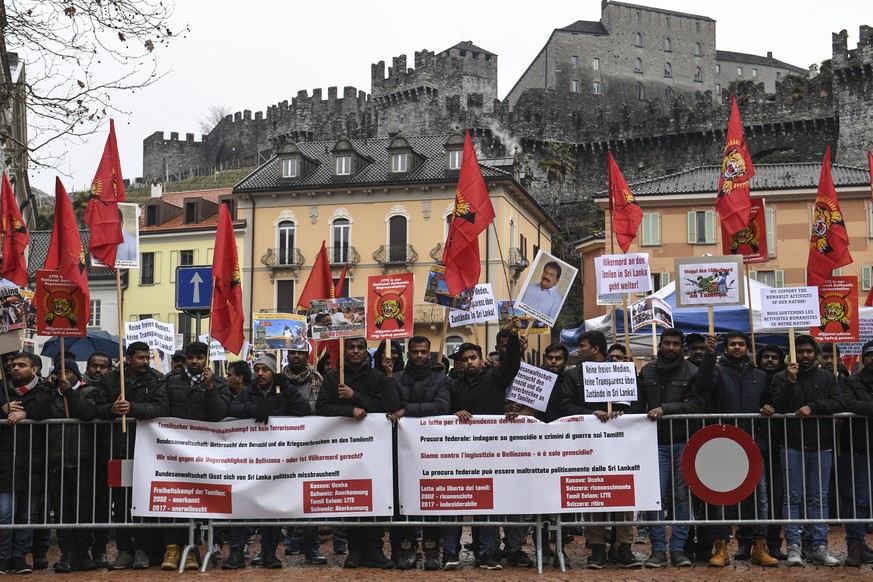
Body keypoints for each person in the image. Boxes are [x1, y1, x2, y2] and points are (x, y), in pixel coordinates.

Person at [443, 316, 523, 571]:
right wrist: (453, 415)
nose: (469, 363)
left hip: (490, 452)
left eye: (473, 358)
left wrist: (511, 338)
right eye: (464, 360)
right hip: (457, 455)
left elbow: (511, 365)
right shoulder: (452, 385)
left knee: (488, 501)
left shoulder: (495, 379)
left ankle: (488, 552)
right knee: (455, 501)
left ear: (481, 360)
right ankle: (450, 552)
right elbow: (441, 410)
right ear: (459, 363)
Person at [559, 331, 642, 570]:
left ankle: (624, 547)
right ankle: (597, 548)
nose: (578, 350)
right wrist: (590, 414)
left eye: (582, 346)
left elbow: (638, 402)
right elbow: (565, 404)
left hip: (620, 443)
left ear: (595, 349)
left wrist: (622, 414)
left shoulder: (621, 372)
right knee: (592, 491)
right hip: (587, 445)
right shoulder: (574, 375)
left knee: (623, 492)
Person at [316, 337, 401, 569]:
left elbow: (387, 406)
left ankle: (374, 549)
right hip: (345, 450)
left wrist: (355, 396)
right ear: (345, 351)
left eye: (360, 347)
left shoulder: (377, 376)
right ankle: (354, 551)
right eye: (351, 347)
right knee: (353, 498)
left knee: (374, 497)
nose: (355, 351)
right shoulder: (334, 377)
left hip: (375, 449)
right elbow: (321, 407)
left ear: (366, 351)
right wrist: (349, 410)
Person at [224, 354, 314, 569]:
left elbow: (303, 410)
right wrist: (251, 409)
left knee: (272, 506)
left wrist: (287, 386)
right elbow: (230, 409)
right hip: (250, 459)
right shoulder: (248, 391)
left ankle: (269, 552)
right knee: (241, 504)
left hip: (277, 461)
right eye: (257, 370)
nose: (260, 374)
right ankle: (236, 551)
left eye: (265, 369)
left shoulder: (283, 390)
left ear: (273, 372)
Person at [695, 332, 778, 567]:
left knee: (759, 497)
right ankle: (720, 547)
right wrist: (709, 356)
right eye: (732, 344)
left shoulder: (760, 375)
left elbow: (768, 401)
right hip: (723, 444)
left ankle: (759, 546)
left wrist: (769, 407)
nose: (737, 347)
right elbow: (703, 384)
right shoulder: (717, 370)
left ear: (748, 348)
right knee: (719, 497)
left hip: (753, 445)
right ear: (725, 348)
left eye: (741, 344)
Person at [770, 334, 843, 567]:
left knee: (819, 498)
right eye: (800, 351)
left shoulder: (827, 377)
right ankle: (793, 546)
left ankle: (819, 546)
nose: (804, 355)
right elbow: (777, 406)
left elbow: (839, 403)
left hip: (821, 446)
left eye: (808, 351)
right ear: (793, 354)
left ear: (815, 354)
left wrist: (813, 406)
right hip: (791, 444)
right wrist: (790, 383)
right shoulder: (781, 377)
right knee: (792, 497)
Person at [96, 341, 169, 570]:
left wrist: (133, 408)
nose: (145, 361)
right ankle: (124, 549)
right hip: (118, 450)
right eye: (140, 358)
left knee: (143, 502)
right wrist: (110, 410)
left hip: (145, 453)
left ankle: (143, 550)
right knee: (121, 503)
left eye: (147, 357)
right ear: (128, 359)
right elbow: (95, 407)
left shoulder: (157, 379)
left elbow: (162, 408)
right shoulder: (110, 380)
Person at [159, 341, 232, 571]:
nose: (194, 362)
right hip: (176, 453)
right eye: (191, 357)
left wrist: (210, 388)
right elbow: (161, 408)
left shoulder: (219, 383)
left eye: (200, 357)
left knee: (202, 500)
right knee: (175, 498)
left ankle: (195, 549)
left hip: (205, 454)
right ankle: (174, 547)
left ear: (206, 359)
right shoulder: (171, 382)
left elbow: (221, 414)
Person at [640, 328, 706, 568]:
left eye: (675, 344)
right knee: (653, 498)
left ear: (682, 347)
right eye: (666, 343)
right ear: (659, 345)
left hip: (684, 441)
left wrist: (666, 409)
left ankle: (678, 548)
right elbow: (638, 403)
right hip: (654, 443)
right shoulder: (646, 370)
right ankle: (658, 549)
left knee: (682, 496)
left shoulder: (693, 371)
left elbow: (699, 404)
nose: (671, 348)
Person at [387, 336, 450, 570]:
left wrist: (407, 410)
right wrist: (388, 378)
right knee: (401, 498)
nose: (420, 356)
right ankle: (405, 548)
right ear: (408, 353)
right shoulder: (397, 377)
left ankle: (432, 549)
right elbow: (390, 405)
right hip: (400, 449)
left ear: (430, 352)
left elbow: (442, 407)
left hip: (431, 450)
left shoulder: (440, 378)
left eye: (424, 352)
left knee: (430, 498)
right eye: (415, 352)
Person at [46, 360, 101, 573]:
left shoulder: (90, 392)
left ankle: (83, 552)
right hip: (57, 461)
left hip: (83, 460)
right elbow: (40, 412)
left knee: (84, 509)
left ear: (77, 375)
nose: (63, 376)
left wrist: (70, 393)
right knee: (62, 510)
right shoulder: (52, 393)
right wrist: (49, 389)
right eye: (58, 372)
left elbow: (87, 414)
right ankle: (67, 552)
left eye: (67, 372)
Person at [0, 352, 51, 574]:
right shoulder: (2, 390)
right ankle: (3, 556)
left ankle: (19, 556)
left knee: (28, 514)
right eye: (13, 365)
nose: (15, 368)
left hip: (33, 463)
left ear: (35, 369)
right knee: (5, 513)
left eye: (22, 365)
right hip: (5, 462)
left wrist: (26, 413)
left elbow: (43, 410)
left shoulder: (44, 390)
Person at [839, 340, 873, 567]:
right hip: (859, 447)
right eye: (869, 355)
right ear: (862, 358)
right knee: (857, 499)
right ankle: (855, 543)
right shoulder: (851, 381)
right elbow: (848, 403)